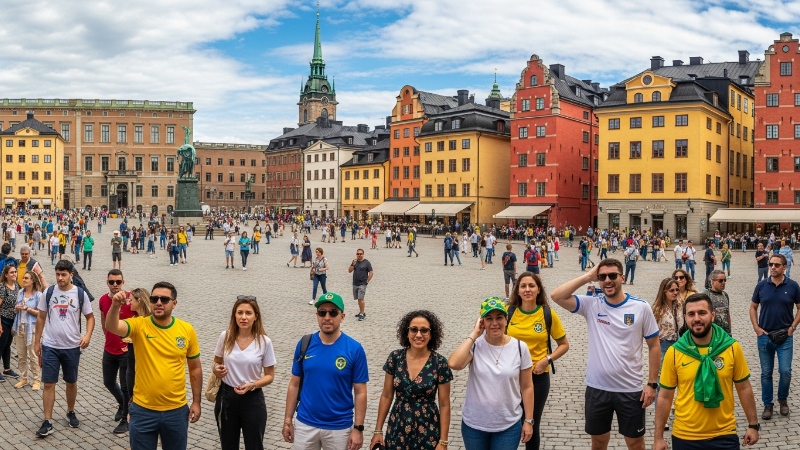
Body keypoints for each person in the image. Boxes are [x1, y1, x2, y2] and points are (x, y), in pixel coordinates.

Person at [550, 260, 660, 450]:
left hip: (630, 389)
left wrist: (651, 384)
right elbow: (556, 296)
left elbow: (654, 346)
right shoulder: (592, 305)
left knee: (635, 444)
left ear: (622, 278)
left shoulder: (640, 307)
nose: (607, 280)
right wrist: (587, 277)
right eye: (602, 277)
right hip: (597, 388)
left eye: (612, 276)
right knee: (598, 443)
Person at [104, 281, 202, 450]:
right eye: (154, 298)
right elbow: (112, 326)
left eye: (164, 299)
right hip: (143, 410)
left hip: (176, 411)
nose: (158, 302)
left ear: (174, 303)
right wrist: (114, 306)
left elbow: (195, 368)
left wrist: (196, 402)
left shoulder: (186, 330)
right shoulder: (139, 325)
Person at [654, 293, 760, 450]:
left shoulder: (731, 347)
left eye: (702, 313)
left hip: (724, 435)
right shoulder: (675, 352)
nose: (696, 318)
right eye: (691, 314)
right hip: (685, 437)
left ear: (712, 315)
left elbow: (744, 387)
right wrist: (658, 437)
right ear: (685, 317)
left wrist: (753, 425)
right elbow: (664, 396)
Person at [282, 292, 368, 450]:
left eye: (333, 312)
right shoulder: (305, 344)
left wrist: (358, 428)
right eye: (322, 312)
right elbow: (294, 384)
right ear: (317, 315)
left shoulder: (354, 349)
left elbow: (360, 392)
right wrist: (288, 420)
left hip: (339, 427)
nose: (327, 317)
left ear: (342, 317)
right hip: (305, 424)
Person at [448, 298, 534, 449]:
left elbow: (527, 387)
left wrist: (528, 420)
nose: (494, 323)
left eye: (499, 317)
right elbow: (454, 364)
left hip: (508, 425)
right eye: (489, 318)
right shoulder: (475, 346)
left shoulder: (520, 348)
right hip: (474, 425)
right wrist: (474, 334)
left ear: (506, 319)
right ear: (482, 322)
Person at [371, 310, 452, 450]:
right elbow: (386, 395)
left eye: (424, 330)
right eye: (413, 329)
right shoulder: (395, 358)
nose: (418, 335)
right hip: (398, 426)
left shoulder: (439, 363)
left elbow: (444, 404)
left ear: (431, 334)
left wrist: (443, 441)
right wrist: (378, 430)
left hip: (428, 429)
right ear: (406, 332)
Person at [506, 272, 569, 449]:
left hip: (537, 377)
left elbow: (564, 344)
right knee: (508, 424)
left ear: (538, 289)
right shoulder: (508, 313)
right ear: (517, 291)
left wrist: (547, 359)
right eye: (523, 286)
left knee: (531, 423)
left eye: (531, 286)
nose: (527, 289)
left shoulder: (547, 314)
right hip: (510, 377)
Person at [33, 260, 95, 437]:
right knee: (49, 383)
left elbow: (90, 317)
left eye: (63, 275)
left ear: (71, 275)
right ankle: (47, 421)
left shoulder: (79, 293)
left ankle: (70, 411)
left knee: (71, 381)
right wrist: (37, 342)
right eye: (58, 274)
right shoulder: (49, 292)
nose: (60, 278)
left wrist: (88, 336)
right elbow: (41, 317)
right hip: (51, 344)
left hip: (72, 346)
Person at [212, 296, 276, 450]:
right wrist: (216, 370)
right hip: (227, 397)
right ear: (234, 315)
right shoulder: (225, 336)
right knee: (228, 445)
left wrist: (252, 384)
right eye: (239, 312)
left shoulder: (264, 341)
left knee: (254, 445)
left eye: (248, 313)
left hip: (253, 399)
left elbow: (270, 376)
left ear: (256, 316)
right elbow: (216, 362)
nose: (243, 317)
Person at [749, 253, 800, 420]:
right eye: (771, 264)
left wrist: (792, 327)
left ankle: (783, 400)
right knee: (766, 373)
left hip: (785, 336)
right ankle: (768, 405)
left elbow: (799, 308)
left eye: (777, 265)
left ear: (784, 267)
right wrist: (756, 328)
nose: (772, 267)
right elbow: (753, 307)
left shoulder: (793, 286)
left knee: (785, 371)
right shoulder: (762, 285)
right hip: (765, 336)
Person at [98, 269, 134, 435]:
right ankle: (122, 403)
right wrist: (107, 337)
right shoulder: (103, 300)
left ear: (123, 282)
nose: (115, 285)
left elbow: (142, 319)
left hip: (126, 351)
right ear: (107, 283)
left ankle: (125, 418)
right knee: (108, 382)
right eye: (111, 282)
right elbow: (104, 320)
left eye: (118, 282)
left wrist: (132, 343)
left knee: (126, 387)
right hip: (109, 348)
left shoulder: (130, 299)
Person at [650, 277, 683, 418]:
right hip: (663, 346)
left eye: (677, 289)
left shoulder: (680, 305)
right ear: (664, 292)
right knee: (661, 383)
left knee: (680, 380)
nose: (675, 292)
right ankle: (660, 416)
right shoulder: (657, 309)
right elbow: (650, 333)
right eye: (672, 290)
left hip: (679, 346)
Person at [12, 270, 43, 390]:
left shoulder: (38, 295)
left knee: (33, 355)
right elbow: (16, 309)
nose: (24, 280)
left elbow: (41, 314)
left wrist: (28, 309)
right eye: (23, 278)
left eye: (26, 278)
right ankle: (24, 377)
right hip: (20, 326)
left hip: (33, 328)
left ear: (33, 280)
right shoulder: (20, 292)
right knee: (21, 355)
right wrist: (17, 308)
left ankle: (37, 379)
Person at [0, 264, 20, 383]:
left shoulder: (16, 285)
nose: (14, 274)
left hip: (13, 321)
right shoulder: (3, 287)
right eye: (11, 272)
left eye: (15, 272)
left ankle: (7, 369)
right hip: (3, 320)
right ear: (6, 274)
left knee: (7, 345)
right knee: (1, 346)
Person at [703, 270, 732, 336]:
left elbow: (727, 314)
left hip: (725, 333)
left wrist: (729, 331)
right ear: (712, 282)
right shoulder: (706, 295)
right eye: (720, 280)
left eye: (725, 280)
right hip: (712, 333)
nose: (723, 282)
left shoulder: (725, 295)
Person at [348, 249, 373, 321]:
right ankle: (361, 312)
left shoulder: (366, 262)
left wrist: (367, 280)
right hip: (355, 283)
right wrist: (353, 264)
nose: (359, 255)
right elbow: (349, 271)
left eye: (360, 254)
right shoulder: (355, 262)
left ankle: (362, 314)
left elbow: (371, 272)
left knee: (361, 298)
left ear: (363, 254)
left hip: (362, 283)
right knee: (358, 299)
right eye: (358, 254)